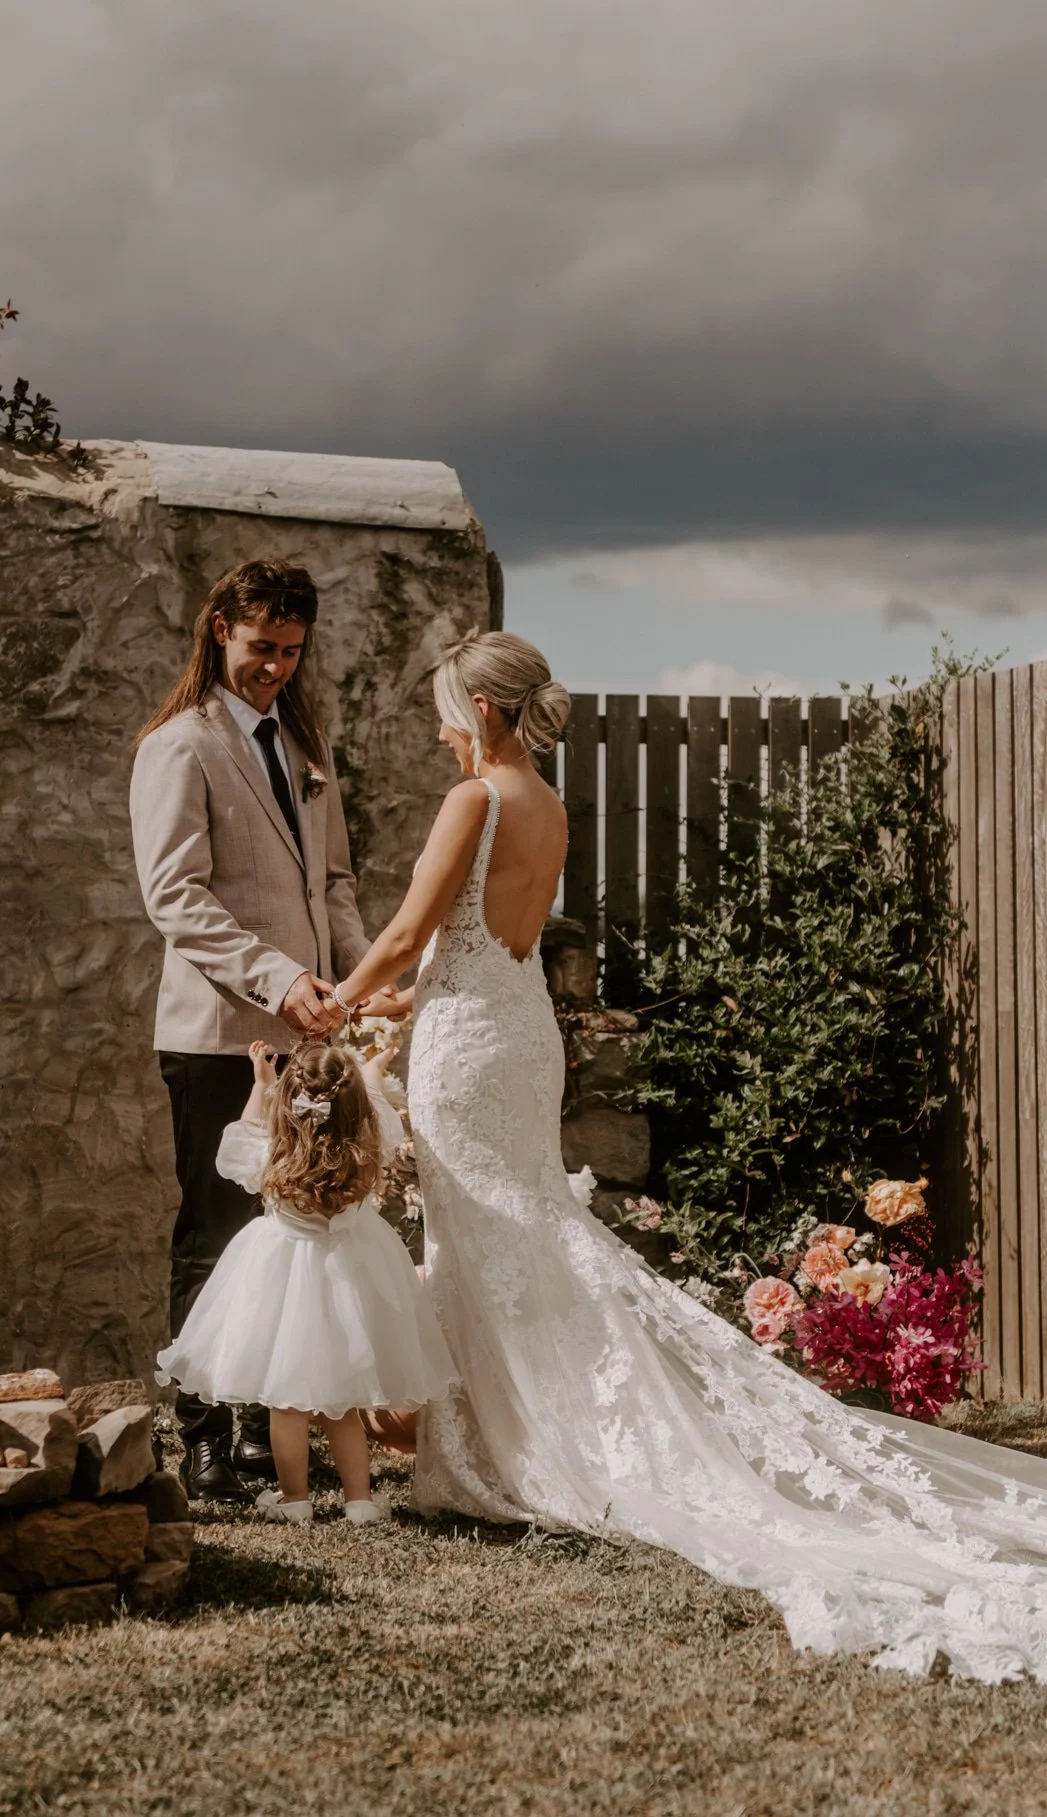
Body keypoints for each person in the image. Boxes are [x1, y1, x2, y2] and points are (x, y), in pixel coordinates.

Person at [335, 630, 1047, 1682]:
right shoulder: (552, 807)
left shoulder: (474, 800)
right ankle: (484, 1438)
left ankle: (514, 1446)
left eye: (447, 708)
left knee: (489, 1232)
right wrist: (408, 992)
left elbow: (406, 935)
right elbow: (493, 943)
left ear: (484, 710)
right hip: (518, 1033)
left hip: (468, 1052)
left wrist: (327, 1001)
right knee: (520, 1229)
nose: (441, 729)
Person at [130, 559, 369, 1502]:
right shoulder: (177, 746)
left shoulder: (305, 746)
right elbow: (174, 897)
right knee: (216, 1235)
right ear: (218, 629)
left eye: (291, 652)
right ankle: (200, 1437)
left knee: (297, 1238)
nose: (274, 667)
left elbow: (335, 884)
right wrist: (280, 979)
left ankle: (274, 1436)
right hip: (218, 1034)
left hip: (311, 1034)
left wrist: (351, 982)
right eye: (261, 648)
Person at [154, 1038, 457, 1525]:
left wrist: (261, 1086)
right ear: (353, 1103)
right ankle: (359, 1500)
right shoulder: (368, 1141)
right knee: (344, 1404)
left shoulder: (271, 1146)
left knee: (286, 1405)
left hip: (285, 1279)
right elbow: (379, 1108)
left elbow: (239, 1140)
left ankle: (294, 1500)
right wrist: (374, 1067)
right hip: (351, 1276)